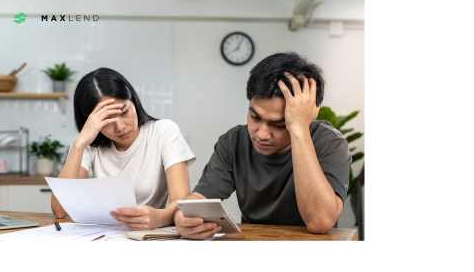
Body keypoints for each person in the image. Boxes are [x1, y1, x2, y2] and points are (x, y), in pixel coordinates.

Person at [174, 52, 351, 239]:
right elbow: (199, 198)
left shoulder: (329, 143)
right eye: (255, 117)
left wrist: (299, 129)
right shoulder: (233, 142)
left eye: (279, 125)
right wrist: (182, 217)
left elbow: (320, 221)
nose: (262, 134)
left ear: (309, 113)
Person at [51, 68, 195, 231]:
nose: (120, 127)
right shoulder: (89, 143)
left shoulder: (164, 131)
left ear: (133, 100)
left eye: (124, 111)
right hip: (103, 235)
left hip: (149, 235)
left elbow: (181, 202)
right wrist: (79, 144)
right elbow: (60, 211)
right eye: (106, 121)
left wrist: (159, 218)